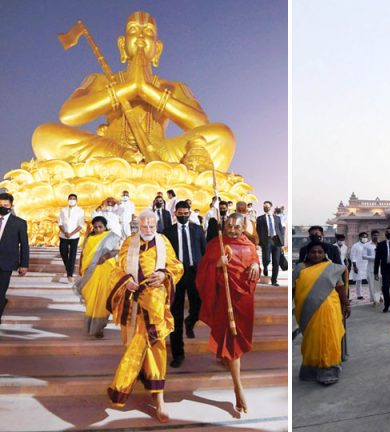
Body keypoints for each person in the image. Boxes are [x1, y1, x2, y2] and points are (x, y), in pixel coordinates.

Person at [32, 11, 235, 171]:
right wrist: (128, 89)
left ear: (158, 48)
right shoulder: (99, 79)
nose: (140, 35)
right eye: (134, 30)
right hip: (108, 151)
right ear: (122, 44)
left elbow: (200, 123)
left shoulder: (173, 86)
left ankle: (133, 167)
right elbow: (68, 115)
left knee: (222, 135)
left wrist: (147, 90)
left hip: (162, 154)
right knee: (43, 135)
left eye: (148, 32)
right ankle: (123, 157)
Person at [106, 209, 182, 422]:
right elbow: (116, 269)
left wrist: (164, 274)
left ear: (156, 225)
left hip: (156, 305)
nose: (148, 229)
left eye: (151, 226)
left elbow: (176, 266)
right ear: (137, 226)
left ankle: (159, 400)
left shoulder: (163, 241)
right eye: (144, 226)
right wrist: (125, 281)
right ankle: (138, 383)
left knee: (157, 349)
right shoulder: (128, 243)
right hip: (133, 305)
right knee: (135, 347)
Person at [196, 213, 260, 413]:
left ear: (243, 228)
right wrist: (216, 264)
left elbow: (255, 263)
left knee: (236, 340)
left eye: (236, 227)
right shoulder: (217, 244)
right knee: (231, 341)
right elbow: (203, 270)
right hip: (224, 298)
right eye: (229, 226)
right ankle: (238, 387)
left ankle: (230, 364)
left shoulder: (249, 246)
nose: (232, 230)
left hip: (243, 300)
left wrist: (256, 265)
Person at [294, 240, 350, 385]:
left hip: (329, 308)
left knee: (328, 337)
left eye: (320, 252)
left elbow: (340, 287)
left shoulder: (331, 268)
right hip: (306, 311)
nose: (316, 255)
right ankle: (310, 369)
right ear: (308, 253)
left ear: (325, 253)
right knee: (312, 339)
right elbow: (293, 290)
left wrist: (346, 303)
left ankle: (329, 370)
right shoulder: (300, 268)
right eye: (313, 252)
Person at [164, 201, 206, 368]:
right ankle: (178, 353)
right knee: (175, 314)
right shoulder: (167, 232)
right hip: (176, 275)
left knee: (199, 305)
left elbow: (204, 251)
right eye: (180, 214)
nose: (183, 216)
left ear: (190, 213)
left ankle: (191, 321)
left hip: (194, 272)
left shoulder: (197, 229)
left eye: (185, 213)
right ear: (175, 214)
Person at [74, 216, 121, 338]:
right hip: (91, 272)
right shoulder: (89, 238)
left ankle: (99, 327)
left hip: (106, 270)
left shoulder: (110, 237)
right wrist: (80, 269)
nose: (98, 229)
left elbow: (116, 251)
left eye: (100, 227)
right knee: (91, 299)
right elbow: (84, 255)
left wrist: (105, 257)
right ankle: (92, 326)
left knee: (102, 299)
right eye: (95, 227)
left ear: (105, 227)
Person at [0, 193, 29, 324]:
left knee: (0, 293)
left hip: (6, 263)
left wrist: (24, 264)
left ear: (11, 205)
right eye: (0, 205)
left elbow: (24, 244)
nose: (3, 207)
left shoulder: (19, 223)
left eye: (5, 205)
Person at [58, 193, 86, 283]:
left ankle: (69, 274)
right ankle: (68, 267)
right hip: (63, 235)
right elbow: (60, 223)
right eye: (70, 198)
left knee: (72, 255)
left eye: (74, 199)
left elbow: (80, 225)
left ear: (76, 200)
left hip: (74, 236)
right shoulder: (63, 210)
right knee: (63, 252)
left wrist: (72, 233)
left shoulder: (80, 211)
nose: (72, 200)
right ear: (68, 199)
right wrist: (65, 232)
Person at [256, 200, 284, 286]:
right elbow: (258, 231)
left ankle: (274, 280)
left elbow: (280, 231)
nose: (266, 207)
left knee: (276, 261)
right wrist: (258, 242)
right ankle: (265, 266)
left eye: (267, 206)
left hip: (276, 241)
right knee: (267, 259)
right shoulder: (260, 218)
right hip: (266, 240)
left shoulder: (277, 218)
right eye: (264, 206)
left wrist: (282, 244)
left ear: (271, 207)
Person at [349, 232, 369, 301]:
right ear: (360, 237)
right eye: (363, 237)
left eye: (366, 237)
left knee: (370, 279)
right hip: (358, 265)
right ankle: (359, 295)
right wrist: (354, 266)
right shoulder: (355, 246)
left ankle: (372, 294)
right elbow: (352, 256)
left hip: (367, 264)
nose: (365, 238)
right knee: (358, 280)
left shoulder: (368, 245)